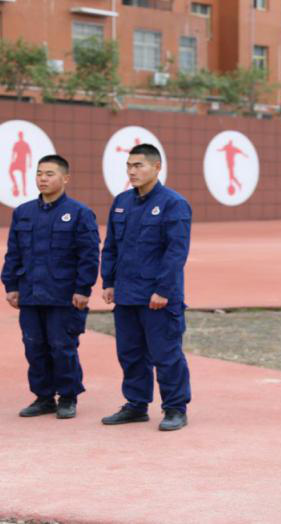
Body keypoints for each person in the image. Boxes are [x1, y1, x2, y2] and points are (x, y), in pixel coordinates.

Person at [100, 143, 192, 431]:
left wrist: (163, 290)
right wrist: (109, 281)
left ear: (157, 167)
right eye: (129, 166)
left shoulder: (173, 203)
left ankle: (175, 408)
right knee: (130, 353)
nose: (132, 171)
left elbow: (176, 251)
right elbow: (111, 246)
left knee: (166, 353)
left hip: (158, 297)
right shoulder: (121, 202)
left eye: (139, 165)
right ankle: (136, 405)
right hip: (127, 294)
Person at [0, 154, 100, 419]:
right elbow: (13, 252)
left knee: (62, 346)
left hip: (63, 294)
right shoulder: (23, 213)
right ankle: (43, 397)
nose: (42, 179)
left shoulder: (79, 213)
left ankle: (68, 396)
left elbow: (89, 255)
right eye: (39, 173)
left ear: (65, 178)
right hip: (31, 293)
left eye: (50, 174)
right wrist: (11, 284)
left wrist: (83, 289)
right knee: (34, 346)